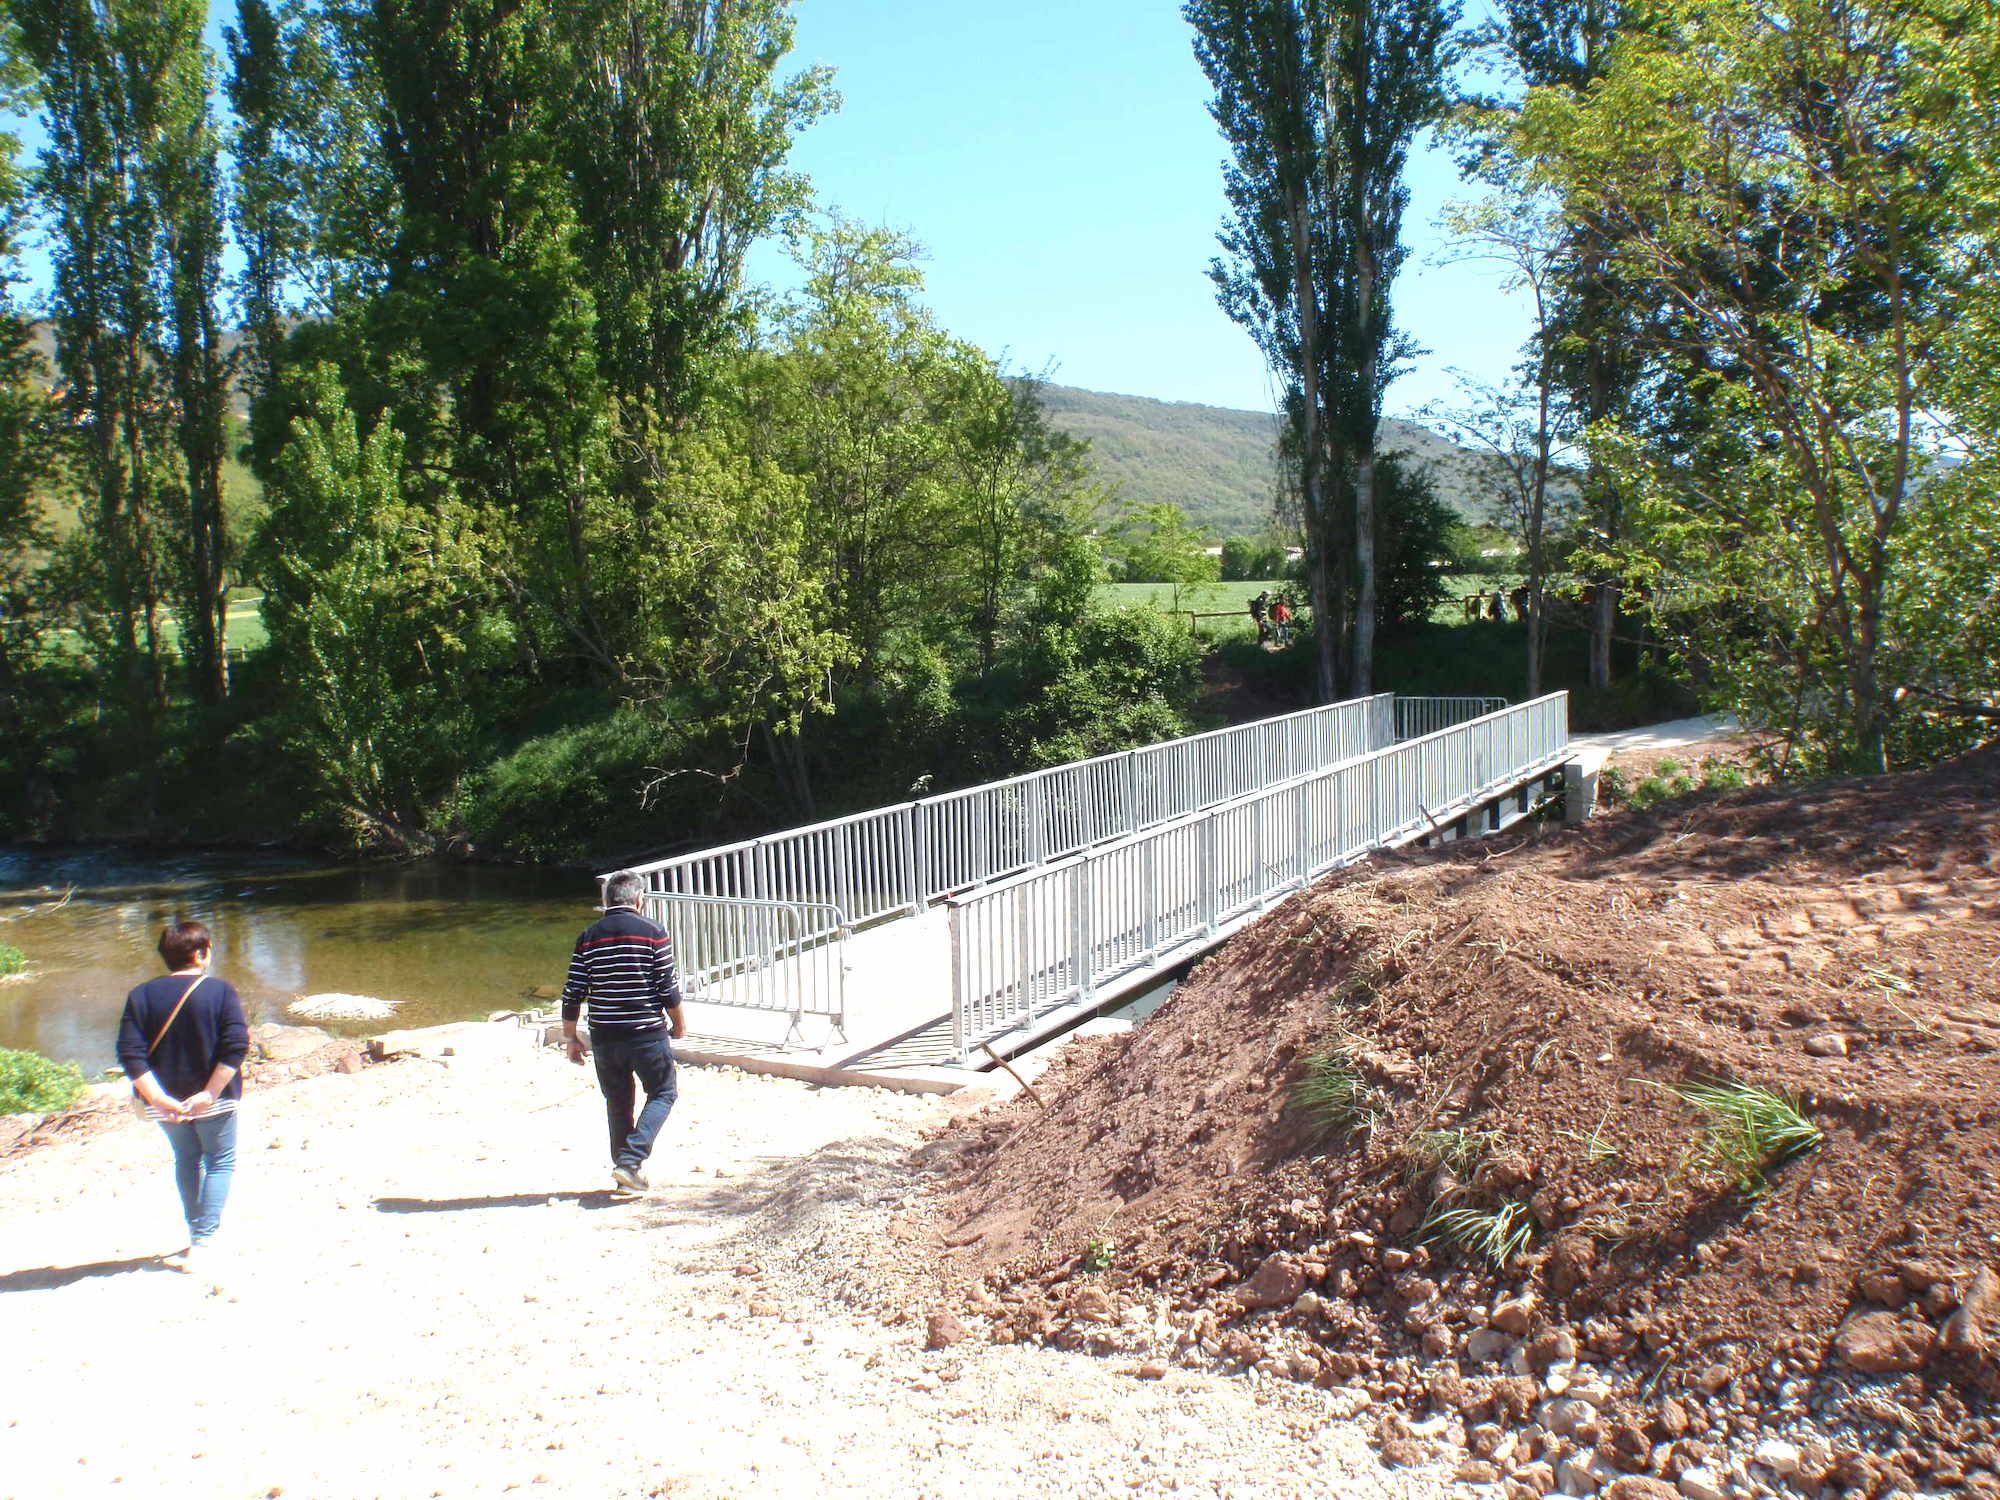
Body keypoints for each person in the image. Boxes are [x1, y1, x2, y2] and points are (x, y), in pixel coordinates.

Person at [116, 919, 249, 1275]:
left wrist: (158, 1098)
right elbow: (236, 1047)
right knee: (219, 1162)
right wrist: (210, 1092)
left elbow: (130, 1054)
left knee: (186, 1159)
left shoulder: (140, 995)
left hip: (165, 1104)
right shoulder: (220, 990)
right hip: (215, 1099)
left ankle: (197, 1235)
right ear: (202, 953)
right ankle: (203, 1242)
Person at [560, 870, 686, 1195]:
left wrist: (571, 1037)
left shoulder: (588, 937)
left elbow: (573, 992)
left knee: (617, 1102)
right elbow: (667, 987)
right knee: (663, 1092)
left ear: (606, 900)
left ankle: (625, 1172)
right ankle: (630, 1163)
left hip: (604, 1036)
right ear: (639, 899)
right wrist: (679, 1024)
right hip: (646, 1033)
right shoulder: (653, 932)